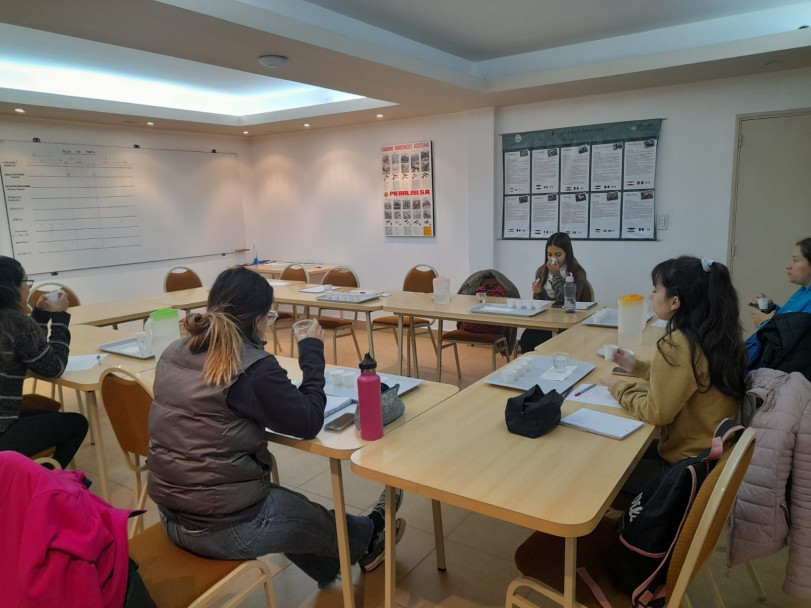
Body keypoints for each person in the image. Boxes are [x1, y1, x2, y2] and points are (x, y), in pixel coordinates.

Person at [147, 267, 405, 589]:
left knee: (293, 508)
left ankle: (337, 562)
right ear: (256, 319)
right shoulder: (250, 367)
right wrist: (311, 349)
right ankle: (370, 536)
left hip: (170, 513)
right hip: (219, 529)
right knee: (303, 517)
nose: (268, 325)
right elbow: (309, 421)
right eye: (268, 317)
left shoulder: (174, 351)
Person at [601, 256, 747, 494]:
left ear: (675, 302)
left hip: (687, 470)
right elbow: (687, 379)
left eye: (655, 290)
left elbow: (656, 412)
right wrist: (638, 367)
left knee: (603, 469)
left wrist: (618, 389)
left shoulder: (678, 344)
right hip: (713, 456)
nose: (651, 296)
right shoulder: (716, 334)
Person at [0, 256, 88, 469]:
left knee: (49, 416)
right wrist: (59, 317)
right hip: (3, 432)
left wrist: (39, 314)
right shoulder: (13, 320)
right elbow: (53, 367)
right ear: (11, 287)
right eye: (25, 282)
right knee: (77, 424)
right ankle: (41, 484)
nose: (28, 289)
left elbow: (30, 352)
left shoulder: (11, 322)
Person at [745, 237, 811, 368]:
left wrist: (766, 322)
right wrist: (770, 308)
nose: (788, 265)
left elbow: (799, 338)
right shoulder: (802, 291)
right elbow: (790, 319)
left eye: (796, 260)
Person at [519, 232, 588, 353]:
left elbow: (565, 300)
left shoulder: (577, 272)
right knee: (526, 340)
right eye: (549, 255)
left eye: (558, 255)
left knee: (542, 343)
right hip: (546, 319)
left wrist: (556, 274)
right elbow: (539, 303)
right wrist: (538, 292)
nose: (553, 259)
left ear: (567, 254)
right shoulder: (541, 271)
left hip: (567, 319)